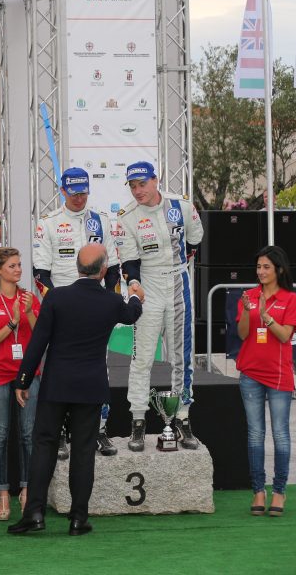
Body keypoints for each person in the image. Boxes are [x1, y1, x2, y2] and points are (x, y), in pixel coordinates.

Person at [8, 244, 143, 536]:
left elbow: (39, 341)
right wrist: (135, 295)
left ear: (77, 268)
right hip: (90, 386)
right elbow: (132, 313)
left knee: (44, 446)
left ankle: (34, 513)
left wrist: (23, 380)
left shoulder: (56, 297)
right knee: (83, 451)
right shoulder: (110, 301)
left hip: (57, 384)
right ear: (103, 271)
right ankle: (79, 518)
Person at [32, 166, 122, 457]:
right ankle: (59, 432)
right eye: (74, 194)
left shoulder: (101, 220)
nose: (79, 198)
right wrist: (56, 305)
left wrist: (108, 303)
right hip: (63, 309)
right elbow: (40, 273)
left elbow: (114, 267)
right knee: (58, 369)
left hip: (94, 309)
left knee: (99, 368)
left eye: (83, 193)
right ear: (62, 191)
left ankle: (100, 430)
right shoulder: (48, 223)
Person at [117, 161, 203, 452]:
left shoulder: (182, 205)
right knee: (142, 358)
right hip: (148, 286)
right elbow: (129, 261)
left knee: (182, 356)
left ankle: (182, 417)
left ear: (156, 180)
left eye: (142, 184)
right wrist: (134, 284)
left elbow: (195, 241)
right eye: (133, 186)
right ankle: (138, 420)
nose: (138, 191)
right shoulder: (127, 216)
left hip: (178, 282)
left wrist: (179, 266)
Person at [0, 247, 40, 521]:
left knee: (28, 434)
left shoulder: (29, 298)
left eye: (19, 265)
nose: (18, 270)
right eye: (12, 265)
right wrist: (13, 322)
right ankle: (3, 492)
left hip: (28, 374)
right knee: (0, 435)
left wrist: (29, 313)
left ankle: (26, 490)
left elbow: (40, 336)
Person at [235, 246, 296, 517]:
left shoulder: (290, 299)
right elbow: (242, 334)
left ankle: (280, 492)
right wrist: (248, 312)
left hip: (279, 375)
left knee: (281, 434)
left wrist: (266, 316)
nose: (260, 272)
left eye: (266, 267)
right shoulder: (248, 296)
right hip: (250, 373)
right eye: (259, 267)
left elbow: (284, 336)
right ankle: (258, 491)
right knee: (255, 434)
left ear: (279, 270)